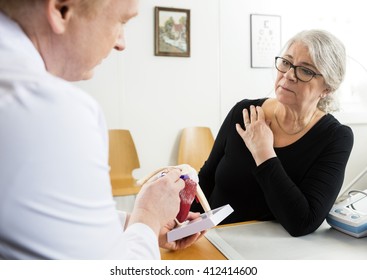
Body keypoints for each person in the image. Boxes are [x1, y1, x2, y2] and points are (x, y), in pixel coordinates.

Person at [0, 0, 202, 259]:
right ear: (62, 10)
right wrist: (148, 217)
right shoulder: (47, 109)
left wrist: (133, 226)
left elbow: (34, 217)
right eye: (121, 21)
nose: (121, 43)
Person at [191, 29, 354, 237]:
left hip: (274, 253)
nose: (288, 75)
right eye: (286, 62)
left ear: (328, 88)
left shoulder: (336, 137)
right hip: (214, 239)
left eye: (305, 70)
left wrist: (263, 152)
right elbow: (206, 180)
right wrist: (186, 228)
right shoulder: (243, 112)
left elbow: (303, 222)